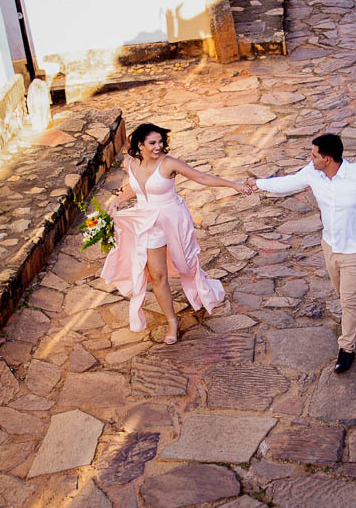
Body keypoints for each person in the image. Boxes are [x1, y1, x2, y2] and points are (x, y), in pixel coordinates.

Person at [247, 132, 356, 374]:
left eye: (314, 155)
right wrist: (257, 184)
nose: (311, 159)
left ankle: (347, 348)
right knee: (343, 291)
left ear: (328, 159)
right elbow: (287, 182)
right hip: (330, 244)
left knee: (346, 301)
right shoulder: (313, 173)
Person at [101, 123, 251, 344]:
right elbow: (134, 187)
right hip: (147, 223)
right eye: (152, 143)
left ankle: (203, 289)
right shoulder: (130, 164)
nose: (158, 146)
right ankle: (172, 321)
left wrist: (234, 185)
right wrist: (116, 200)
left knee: (185, 265)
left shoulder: (169, 164)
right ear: (140, 145)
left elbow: (201, 178)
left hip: (173, 220)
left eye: (160, 142)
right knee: (158, 274)